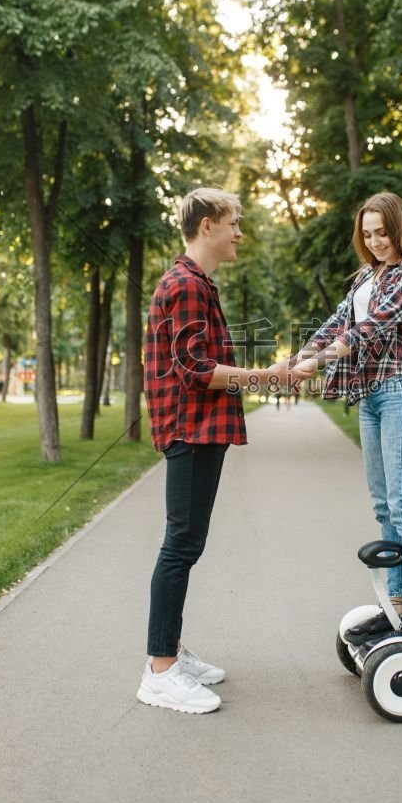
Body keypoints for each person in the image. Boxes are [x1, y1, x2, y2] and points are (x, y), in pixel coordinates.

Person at [138, 187, 288, 714]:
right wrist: (264, 376)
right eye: (233, 223)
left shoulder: (196, 283)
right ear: (207, 225)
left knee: (188, 543)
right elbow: (195, 369)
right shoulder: (185, 285)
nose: (239, 233)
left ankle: (171, 652)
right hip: (189, 428)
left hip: (201, 428)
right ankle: (159, 670)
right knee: (179, 545)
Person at [292, 192, 402, 657]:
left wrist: (320, 358)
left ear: (399, 229)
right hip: (369, 397)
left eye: (382, 232)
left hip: (401, 390)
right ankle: (394, 605)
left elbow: (372, 328)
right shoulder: (365, 276)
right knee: (383, 505)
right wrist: (300, 355)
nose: (375, 241)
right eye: (368, 234)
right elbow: (338, 322)